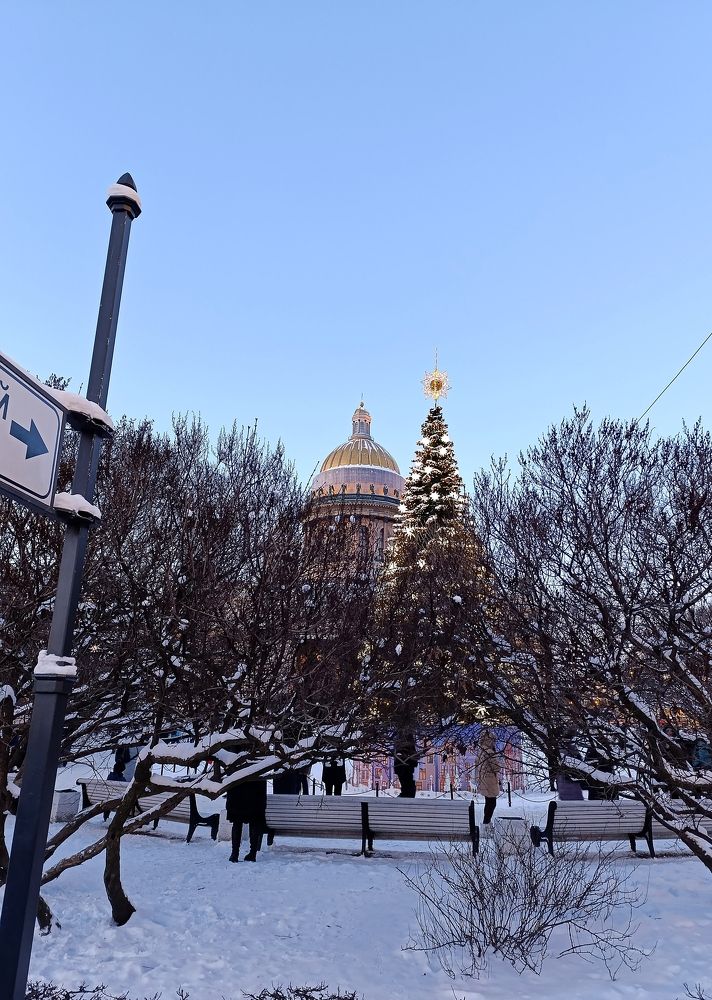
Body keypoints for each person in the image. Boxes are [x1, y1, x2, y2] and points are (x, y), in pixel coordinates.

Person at [226, 778, 268, 862]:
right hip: (256, 785)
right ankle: (252, 853)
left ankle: (234, 854)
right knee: (255, 820)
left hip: (237, 784)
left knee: (237, 822)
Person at [475, 728, 501, 824]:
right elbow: (497, 767)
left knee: (488, 803)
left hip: (484, 780)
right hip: (490, 782)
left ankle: (486, 822)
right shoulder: (489, 752)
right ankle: (486, 822)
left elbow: (477, 764)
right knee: (492, 803)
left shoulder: (480, 751)